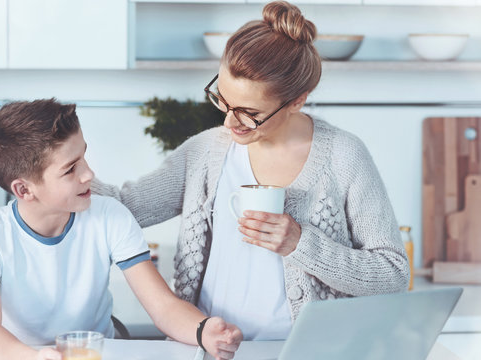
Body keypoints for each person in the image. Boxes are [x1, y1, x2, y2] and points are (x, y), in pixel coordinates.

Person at [92, 0, 410, 341]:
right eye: (223, 101)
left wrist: (301, 244)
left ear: (296, 101)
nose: (229, 121)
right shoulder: (205, 152)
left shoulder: (343, 156)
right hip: (210, 350)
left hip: (306, 351)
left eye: (249, 112)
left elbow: (392, 275)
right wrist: (55, 169)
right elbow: (123, 206)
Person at [0, 99, 242, 360]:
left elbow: (163, 306)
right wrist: (35, 357)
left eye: (83, 157)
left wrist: (203, 330)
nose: (88, 174)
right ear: (23, 189)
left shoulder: (109, 216)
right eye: (70, 170)